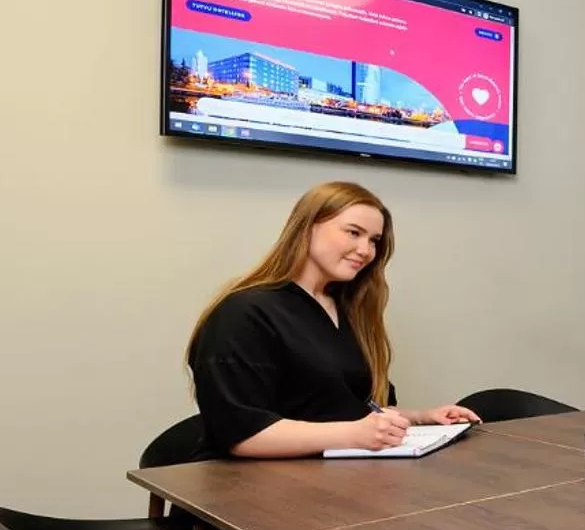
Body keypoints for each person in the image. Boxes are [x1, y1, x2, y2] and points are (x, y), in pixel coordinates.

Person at [185, 180, 480, 460]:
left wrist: (421, 418)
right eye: (353, 232)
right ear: (307, 228)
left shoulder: (348, 310)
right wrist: (353, 434)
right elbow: (242, 434)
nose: (365, 251)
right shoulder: (243, 312)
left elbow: (356, 407)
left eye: (374, 240)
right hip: (243, 492)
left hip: (330, 479)